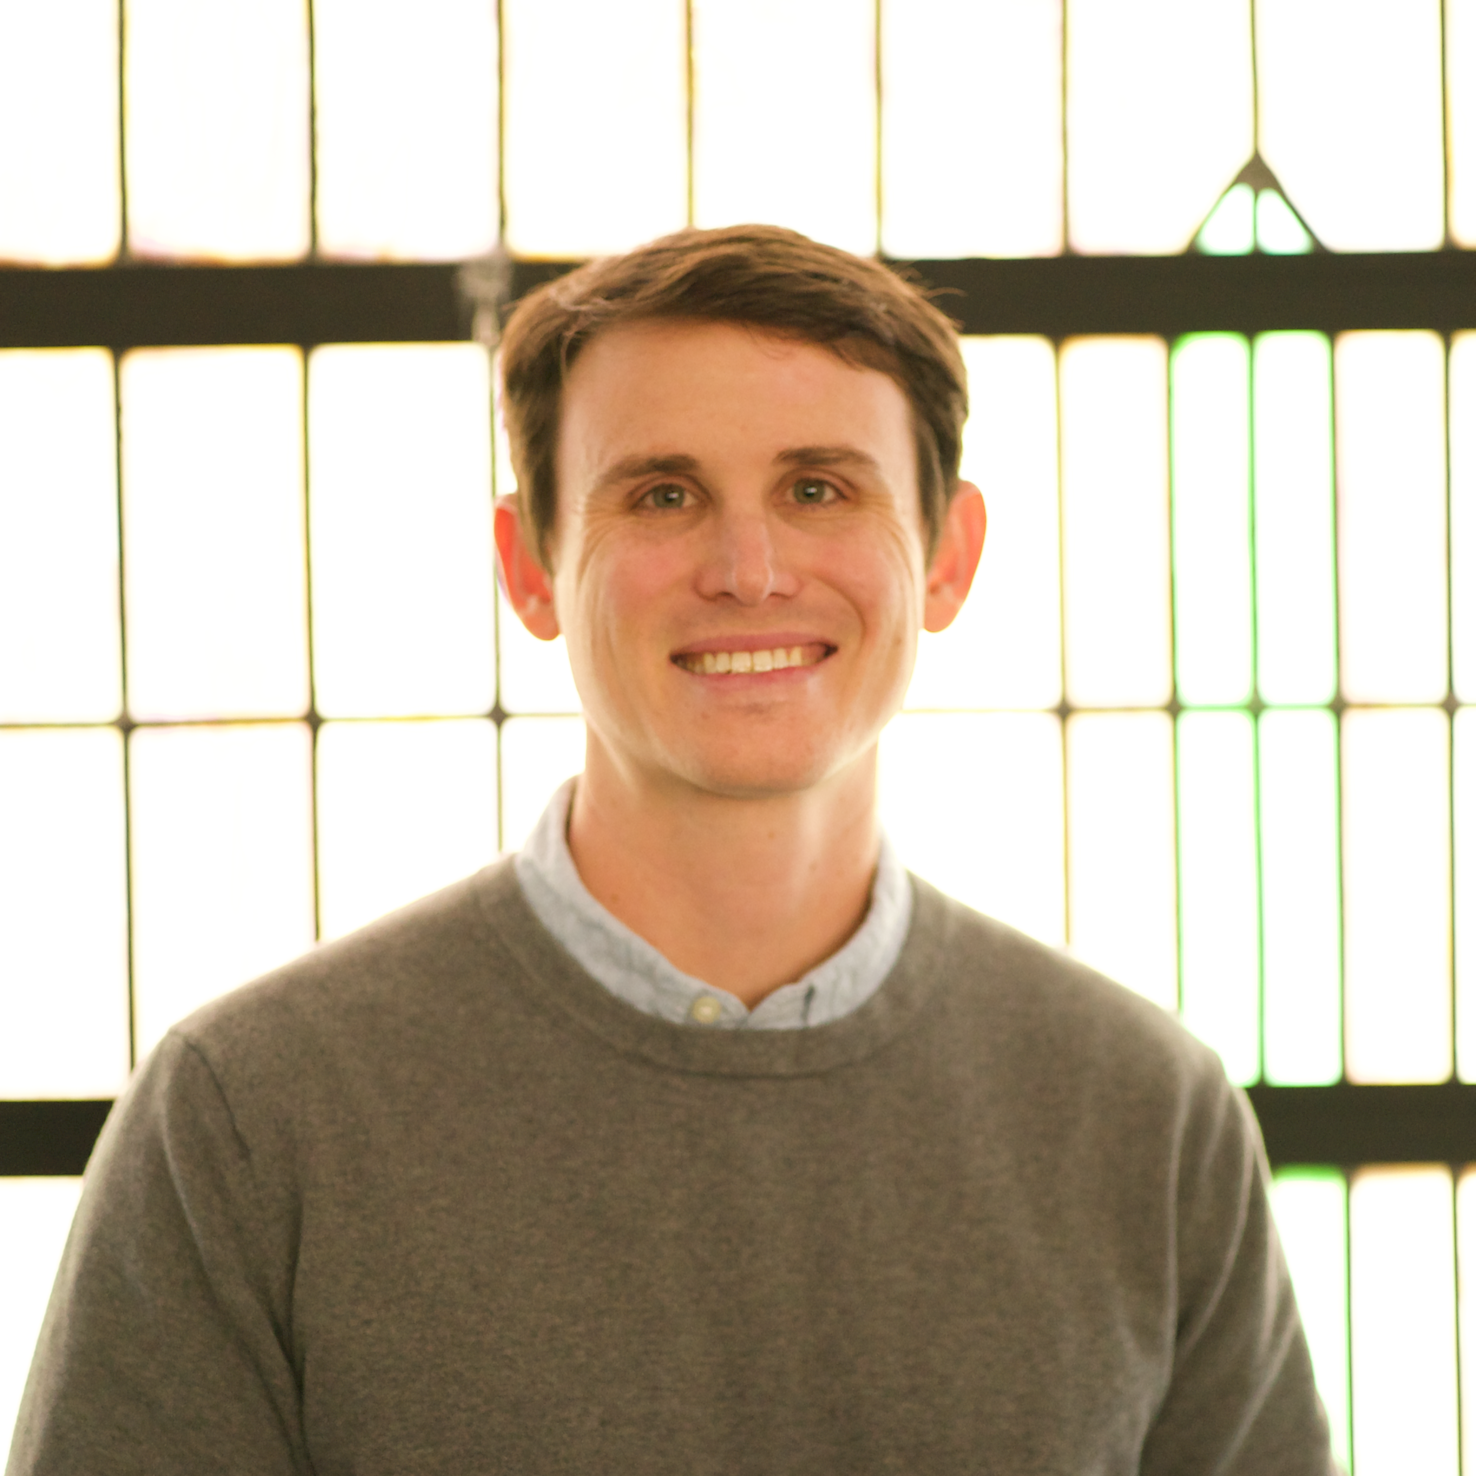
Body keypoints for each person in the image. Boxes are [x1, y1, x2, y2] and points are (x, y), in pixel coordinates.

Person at [9, 225, 1334, 1474]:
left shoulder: (1147, 1118)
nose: (749, 568)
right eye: (662, 494)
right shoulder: (247, 1120)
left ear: (947, 554)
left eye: (819, 487)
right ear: (530, 566)